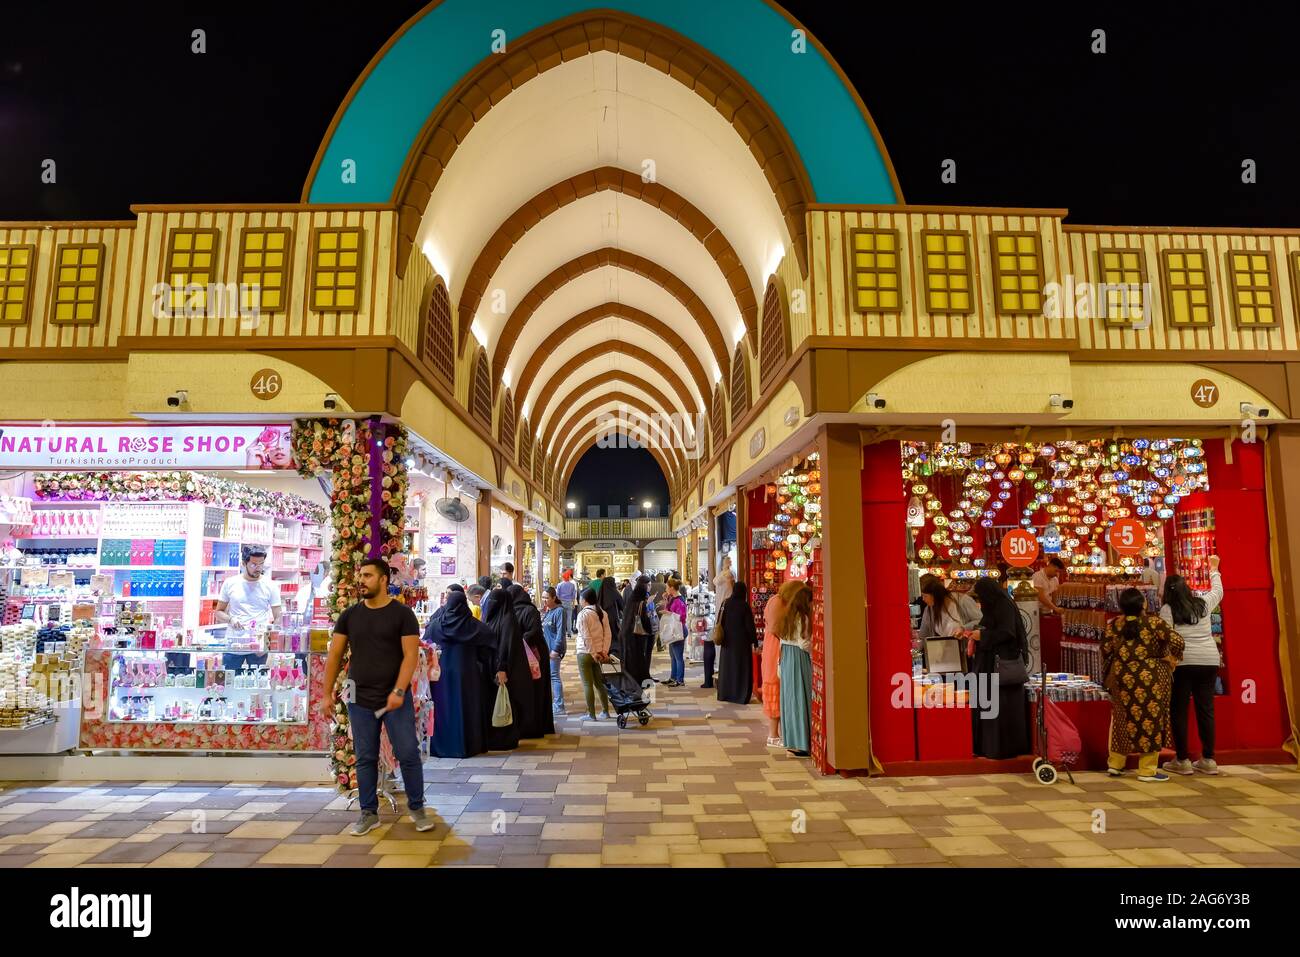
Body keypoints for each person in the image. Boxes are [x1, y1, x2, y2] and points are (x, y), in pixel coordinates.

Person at [322, 559, 433, 835]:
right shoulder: (349, 616)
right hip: (360, 698)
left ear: (383, 580)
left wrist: (398, 690)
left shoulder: (402, 615)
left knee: (407, 752)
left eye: (368, 575)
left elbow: (410, 656)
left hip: (395, 698)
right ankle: (368, 812)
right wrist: (326, 694)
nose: (362, 580)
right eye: (360, 575)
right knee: (365, 756)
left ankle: (417, 809)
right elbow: (335, 655)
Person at [1101, 587, 1185, 782]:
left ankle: (1115, 764)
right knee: (1150, 721)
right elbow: (1178, 642)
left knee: (1122, 720)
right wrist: (1168, 657)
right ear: (1143, 604)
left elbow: (1105, 650)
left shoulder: (1114, 625)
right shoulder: (1154, 623)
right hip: (1150, 679)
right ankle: (1147, 770)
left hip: (1122, 677)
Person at [1160, 556, 1224, 776]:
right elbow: (1218, 591)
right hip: (1208, 660)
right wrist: (1214, 569)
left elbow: (1166, 637)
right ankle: (1208, 758)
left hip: (1182, 663)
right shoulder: (1202, 604)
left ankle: (1183, 759)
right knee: (1206, 709)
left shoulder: (1168, 610)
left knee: (1179, 710)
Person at [425, 586, 496, 759]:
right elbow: (490, 640)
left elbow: (426, 644)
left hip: (441, 676)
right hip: (467, 674)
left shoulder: (436, 625)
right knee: (466, 708)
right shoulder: (473, 625)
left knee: (444, 709)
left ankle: (443, 746)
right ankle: (468, 745)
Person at [965, 578, 1031, 761]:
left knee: (999, 710)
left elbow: (1007, 632)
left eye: (980, 597)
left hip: (1000, 667)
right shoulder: (995, 605)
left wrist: (982, 635)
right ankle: (987, 747)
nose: (980, 602)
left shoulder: (1003, 606)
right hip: (990, 664)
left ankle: (999, 748)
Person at [483, 585, 531, 751]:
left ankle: (507, 738)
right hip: (492, 668)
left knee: (506, 703)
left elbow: (506, 646)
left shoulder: (508, 620)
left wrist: (502, 667)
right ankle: (496, 737)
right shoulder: (495, 617)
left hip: (505, 670)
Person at [509, 583, 554, 738]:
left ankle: (533, 725)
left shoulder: (521, 611)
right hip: (531, 655)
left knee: (532, 690)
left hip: (530, 656)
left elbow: (532, 632)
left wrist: (517, 642)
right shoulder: (526, 610)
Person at [775, 580, 814, 756]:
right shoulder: (803, 618)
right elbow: (804, 643)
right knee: (802, 697)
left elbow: (782, 640)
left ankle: (792, 739)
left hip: (786, 658)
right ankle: (804, 741)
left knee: (790, 699)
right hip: (799, 659)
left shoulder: (786, 616)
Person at [574, 587, 613, 721]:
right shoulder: (602, 613)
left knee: (587, 684)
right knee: (599, 683)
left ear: (584, 600)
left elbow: (586, 636)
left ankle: (591, 714)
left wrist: (592, 652)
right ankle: (605, 711)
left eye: (580, 598)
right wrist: (604, 651)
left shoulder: (583, 614)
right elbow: (608, 634)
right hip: (600, 653)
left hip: (585, 653)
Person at [716, 579, 756, 705]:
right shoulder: (744, 606)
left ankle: (726, 693)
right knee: (741, 669)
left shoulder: (725, 603)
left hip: (727, 643)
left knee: (728, 668)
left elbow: (719, 621)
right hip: (741, 643)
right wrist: (754, 641)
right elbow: (750, 626)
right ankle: (740, 695)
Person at [761, 584, 788, 748]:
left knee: (774, 688)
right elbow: (777, 627)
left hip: (771, 648)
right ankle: (773, 734)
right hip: (776, 650)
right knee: (775, 689)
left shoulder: (772, 601)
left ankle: (774, 734)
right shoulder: (779, 603)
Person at [616, 576, 653, 685]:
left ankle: (631, 681)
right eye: (649, 585)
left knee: (631, 659)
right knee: (637, 658)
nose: (650, 587)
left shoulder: (634, 597)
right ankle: (638, 681)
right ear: (643, 586)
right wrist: (650, 630)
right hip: (636, 634)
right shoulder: (640, 601)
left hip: (628, 632)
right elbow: (644, 619)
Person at [541, 586, 567, 716]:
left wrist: (556, 650)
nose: (544, 600)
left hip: (554, 650)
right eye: (543, 597)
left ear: (554, 598)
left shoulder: (559, 611)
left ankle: (559, 705)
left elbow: (561, 633)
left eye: (546, 598)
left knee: (554, 676)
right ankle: (554, 704)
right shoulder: (548, 611)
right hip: (546, 649)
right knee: (550, 676)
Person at [660, 579, 688, 686]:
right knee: (673, 656)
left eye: (667, 587)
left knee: (678, 656)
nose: (666, 589)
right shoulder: (672, 598)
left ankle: (680, 680)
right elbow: (669, 610)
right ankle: (673, 677)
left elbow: (681, 617)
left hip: (678, 630)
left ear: (672, 588)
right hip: (673, 630)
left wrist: (669, 613)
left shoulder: (679, 600)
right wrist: (666, 599)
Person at [556, 569, 578, 635]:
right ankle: (569, 632)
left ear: (563, 577)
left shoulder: (559, 585)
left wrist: (558, 604)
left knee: (561, 618)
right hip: (569, 603)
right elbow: (573, 596)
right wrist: (573, 604)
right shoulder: (572, 585)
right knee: (569, 618)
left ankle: (561, 632)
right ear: (568, 577)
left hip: (561, 603)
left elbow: (557, 595)